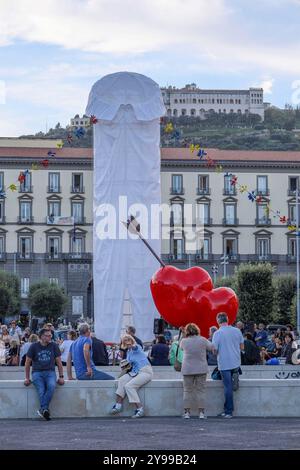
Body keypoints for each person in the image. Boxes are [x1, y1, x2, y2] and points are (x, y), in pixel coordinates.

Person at [24, 328, 65, 421]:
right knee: (41, 390)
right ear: (41, 336)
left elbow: (59, 362)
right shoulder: (33, 346)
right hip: (37, 372)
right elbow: (27, 363)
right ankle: (45, 409)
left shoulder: (54, 346)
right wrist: (27, 378)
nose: (50, 337)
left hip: (50, 372)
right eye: (47, 335)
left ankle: (43, 409)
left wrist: (61, 376)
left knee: (51, 386)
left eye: (50, 335)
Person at [110, 334, 153, 418]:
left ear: (131, 340)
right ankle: (118, 405)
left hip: (145, 371)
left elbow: (135, 347)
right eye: (124, 341)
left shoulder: (137, 347)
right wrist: (124, 365)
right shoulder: (128, 352)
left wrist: (131, 344)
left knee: (129, 386)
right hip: (135, 372)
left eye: (128, 340)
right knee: (122, 380)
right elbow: (129, 365)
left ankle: (140, 409)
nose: (126, 342)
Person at [212, 313, 244, 419]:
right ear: (228, 319)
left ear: (218, 321)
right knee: (230, 386)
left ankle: (228, 411)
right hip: (236, 362)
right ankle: (236, 377)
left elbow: (214, 350)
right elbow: (242, 346)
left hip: (224, 363)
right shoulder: (237, 330)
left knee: (227, 387)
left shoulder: (217, 333)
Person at [180, 323, 214, 419]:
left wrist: (183, 335)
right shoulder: (203, 340)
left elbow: (181, 347)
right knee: (201, 391)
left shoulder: (184, 341)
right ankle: (201, 413)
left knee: (187, 390)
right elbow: (212, 347)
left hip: (187, 369)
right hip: (201, 368)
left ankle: (187, 413)